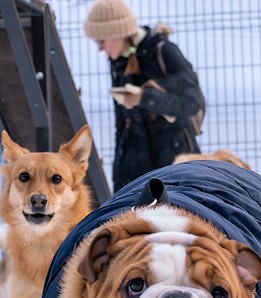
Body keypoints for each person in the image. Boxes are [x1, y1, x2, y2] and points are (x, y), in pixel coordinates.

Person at [83, 0, 202, 191]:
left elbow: (191, 103)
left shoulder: (164, 50)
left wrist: (144, 98)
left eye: (101, 41)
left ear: (117, 33)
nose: (100, 49)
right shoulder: (117, 61)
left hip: (174, 163)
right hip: (134, 169)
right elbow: (121, 124)